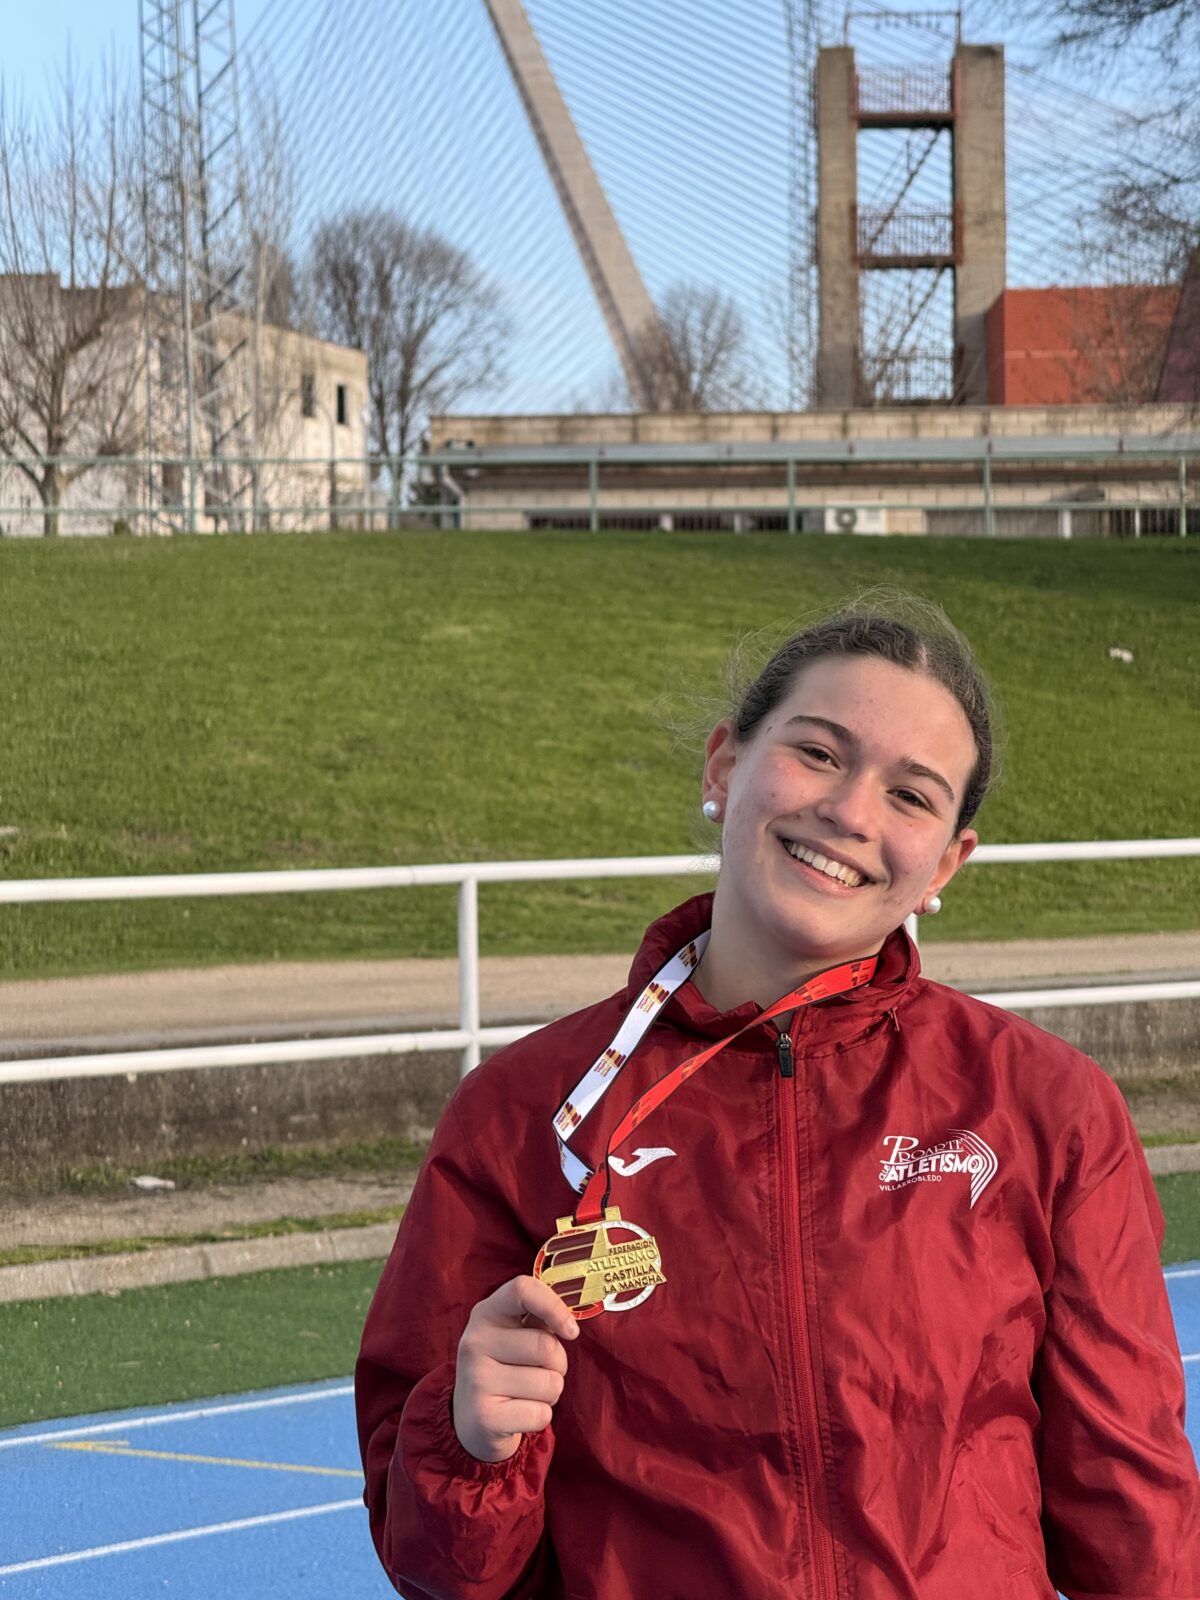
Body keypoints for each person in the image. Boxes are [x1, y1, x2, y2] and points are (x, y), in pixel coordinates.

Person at [356, 601, 1199, 1600]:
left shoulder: (1048, 1110)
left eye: (913, 796)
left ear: (948, 865)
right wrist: (471, 1439)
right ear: (724, 766)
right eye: (818, 752)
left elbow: (1136, 1521)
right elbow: (435, 1565)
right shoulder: (524, 1115)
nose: (851, 811)